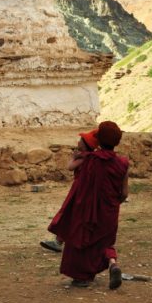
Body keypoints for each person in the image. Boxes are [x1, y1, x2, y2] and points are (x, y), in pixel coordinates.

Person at [48, 121, 128, 290]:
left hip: (88, 209)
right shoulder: (122, 163)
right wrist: (112, 204)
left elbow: (79, 184)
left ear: (99, 139)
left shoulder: (90, 160)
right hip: (110, 210)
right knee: (106, 242)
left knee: (84, 240)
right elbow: (124, 193)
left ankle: (82, 277)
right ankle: (113, 264)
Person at [40, 129, 99, 254]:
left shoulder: (84, 157)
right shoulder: (92, 157)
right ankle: (61, 241)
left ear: (85, 144)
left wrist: (73, 158)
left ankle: (59, 242)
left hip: (79, 189)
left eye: (80, 140)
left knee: (69, 213)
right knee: (74, 215)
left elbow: (70, 167)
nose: (78, 142)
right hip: (85, 190)